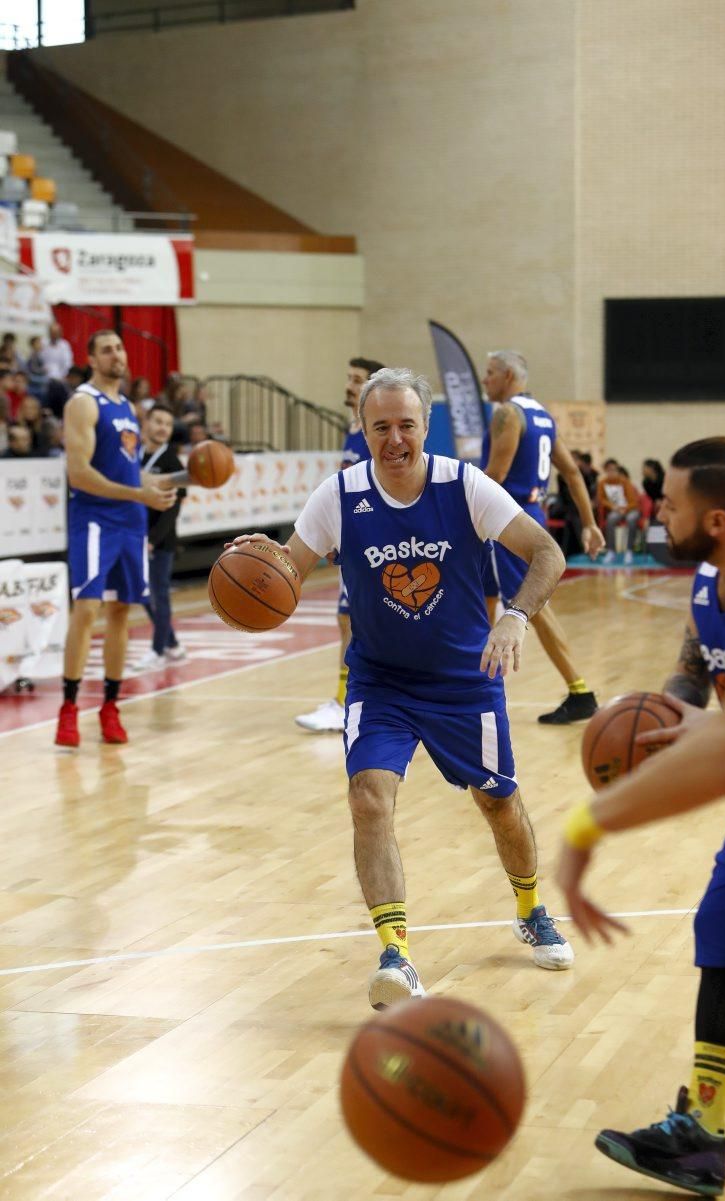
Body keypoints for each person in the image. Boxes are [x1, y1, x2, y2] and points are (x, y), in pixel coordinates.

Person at [236, 367, 575, 1007]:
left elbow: (547, 554)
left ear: (425, 426)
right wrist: (264, 570)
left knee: (498, 805)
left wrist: (515, 615)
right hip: (380, 682)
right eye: (380, 427)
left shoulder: (463, 484)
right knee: (369, 799)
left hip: (463, 683)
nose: (394, 439)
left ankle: (530, 906)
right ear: (362, 430)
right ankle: (396, 954)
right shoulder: (338, 495)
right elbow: (285, 573)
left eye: (406, 425)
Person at [556, 428, 725, 1197]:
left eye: (671, 503)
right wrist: (661, 718)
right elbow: (694, 671)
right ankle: (700, 1133)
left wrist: (721, 730)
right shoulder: (707, 581)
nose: (659, 512)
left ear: (718, 518)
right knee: (723, 929)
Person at [55, 331, 176, 749]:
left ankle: (110, 706)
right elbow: (79, 474)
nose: (117, 355)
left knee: (123, 613)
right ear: (91, 358)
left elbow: (127, 474)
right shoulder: (83, 403)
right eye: (107, 349)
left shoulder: (127, 408)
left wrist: (154, 487)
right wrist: (136, 493)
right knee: (87, 608)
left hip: (131, 521)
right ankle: (69, 708)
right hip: (94, 519)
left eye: (120, 348)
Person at [480, 350, 604, 724]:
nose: (485, 380)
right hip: (528, 513)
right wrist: (590, 522)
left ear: (507, 375)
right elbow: (572, 472)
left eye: (489, 373)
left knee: (530, 605)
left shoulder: (507, 414)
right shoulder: (542, 415)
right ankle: (481, 685)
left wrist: (450, 503)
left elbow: (494, 477)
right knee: (483, 595)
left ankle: (580, 690)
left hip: (509, 519)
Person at [295, 356, 385, 733]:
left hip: (370, 539)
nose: (348, 385)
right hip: (356, 534)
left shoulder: (372, 431)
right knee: (350, 619)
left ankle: (348, 703)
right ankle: (352, 700)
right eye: (348, 377)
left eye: (356, 379)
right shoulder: (354, 428)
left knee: (356, 619)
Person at [134, 404, 188, 671]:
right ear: (146, 423)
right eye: (158, 421)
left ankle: (157, 651)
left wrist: (153, 539)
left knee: (159, 595)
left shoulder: (172, 462)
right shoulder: (136, 455)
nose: (162, 427)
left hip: (160, 541)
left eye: (168, 423)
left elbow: (173, 509)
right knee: (143, 596)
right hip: (134, 536)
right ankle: (173, 644)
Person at [596, 457, 642, 564]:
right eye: (609, 470)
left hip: (630, 509)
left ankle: (629, 551)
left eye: (614, 469)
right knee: (611, 519)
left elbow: (634, 501)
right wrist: (612, 507)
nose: (612, 472)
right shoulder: (602, 483)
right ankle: (611, 551)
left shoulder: (624, 482)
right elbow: (601, 499)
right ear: (605, 471)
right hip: (616, 510)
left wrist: (624, 509)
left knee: (631, 519)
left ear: (617, 470)